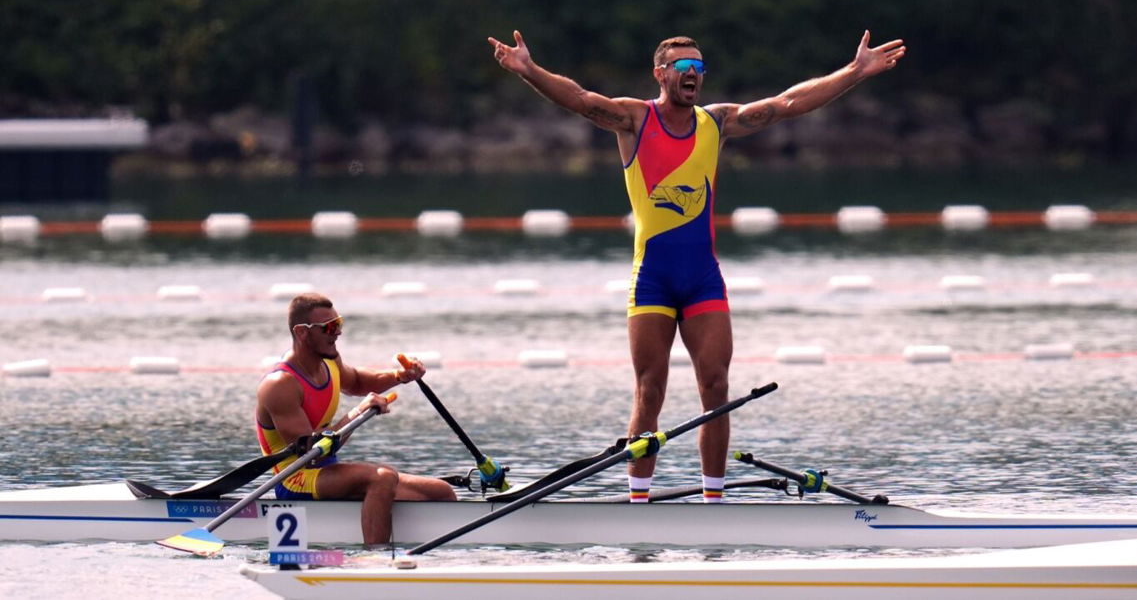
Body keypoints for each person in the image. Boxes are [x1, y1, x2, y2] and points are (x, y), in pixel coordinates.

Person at [488, 29, 905, 503]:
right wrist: (529, 70)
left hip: (702, 279)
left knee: (717, 386)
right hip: (653, 281)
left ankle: (713, 500)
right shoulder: (634, 119)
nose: (693, 76)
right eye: (683, 67)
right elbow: (583, 100)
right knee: (650, 390)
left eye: (699, 68)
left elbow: (788, 104)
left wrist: (855, 71)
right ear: (660, 73)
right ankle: (639, 498)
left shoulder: (718, 122)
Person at [255, 292, 456, 545]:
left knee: (440, 492)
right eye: (328, 327)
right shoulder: (280, 385)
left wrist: (400, 376)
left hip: (327, 472)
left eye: (338, 324)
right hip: (296, 479)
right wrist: (358, 412)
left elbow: (358, 382)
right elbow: (310, 449)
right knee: (381, 477)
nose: (337, 333)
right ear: (302, 332)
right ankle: (375, 558)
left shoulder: (328, 362)